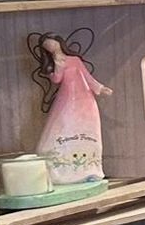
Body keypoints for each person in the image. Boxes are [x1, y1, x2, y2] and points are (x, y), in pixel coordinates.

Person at [30, 31, 112, 185]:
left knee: (87, 129)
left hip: (84, 99)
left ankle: (90, 170)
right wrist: (58, 67)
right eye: (46, 46)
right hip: (66, 98)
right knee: (60, 126)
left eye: (51, 43)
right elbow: (57, 79)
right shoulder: (53, 62)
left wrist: (100, 88)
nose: (50, 47)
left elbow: (87, 77)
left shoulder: (74, 60)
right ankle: (58, 171)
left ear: (58, 42)